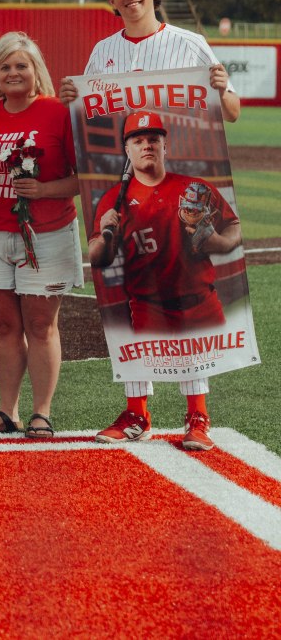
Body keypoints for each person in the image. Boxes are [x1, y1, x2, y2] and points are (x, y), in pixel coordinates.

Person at [59, 0, 241, 450]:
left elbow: (232, 112)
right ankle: (135, 411)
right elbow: (89, 114)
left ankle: (197, 416)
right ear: (112, 0)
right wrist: (72, 95)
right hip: (124, 184)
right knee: (131, 289)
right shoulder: (103, 52)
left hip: (181, 177)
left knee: (183, 287)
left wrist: (224, 90)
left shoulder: (190, 43)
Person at [88, 112, 241, 451]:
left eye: (153, 139)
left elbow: (233, 226)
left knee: (194, 355)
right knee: (135, 353)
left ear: (165, 146)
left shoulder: (193, 189)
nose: (147, 145)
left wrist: (217, 241)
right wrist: (108, 233)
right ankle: (136, 416)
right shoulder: (115, 199)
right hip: (146, 300)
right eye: (138, 140)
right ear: (127, 150)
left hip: (196, 297)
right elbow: (98, 257)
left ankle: (198, 418)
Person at [0, 32, 82, 441]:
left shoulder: (59, 113)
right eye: (5, 66)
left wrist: (45, 190)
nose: (13, 73)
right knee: (4, 325)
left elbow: (85, 178)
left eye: (22, 65)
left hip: (46, 233)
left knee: (40, 325)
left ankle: (42, 412)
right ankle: (6, 410)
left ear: (37, 72)